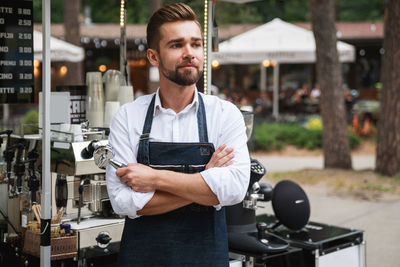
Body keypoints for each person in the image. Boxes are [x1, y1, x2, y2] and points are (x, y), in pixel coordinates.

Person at [106, 3, 250, 266]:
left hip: (205, 258)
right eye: (176, 45)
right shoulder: (128, 117)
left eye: (196, 44)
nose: (189, 53)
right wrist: (204, 182)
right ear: (153, 56)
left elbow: (234, 190)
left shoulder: (225, 114)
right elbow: (123, 201)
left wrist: (154, 178)